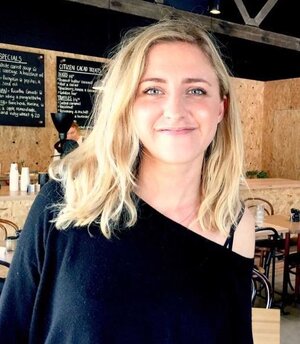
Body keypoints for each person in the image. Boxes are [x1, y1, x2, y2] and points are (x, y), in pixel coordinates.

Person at [0, 17, 255, 343]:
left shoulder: (235, 225)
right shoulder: (65, 204)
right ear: (127, 106)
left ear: (221, 107)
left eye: (196, 90)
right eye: (152, 89)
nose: (174, 109)